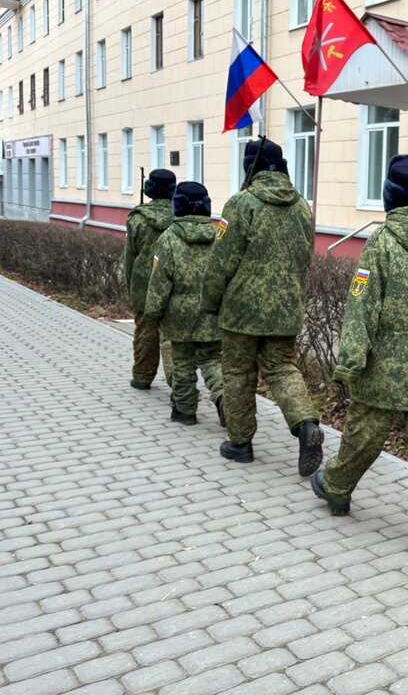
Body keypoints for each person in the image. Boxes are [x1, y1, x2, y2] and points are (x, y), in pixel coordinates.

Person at [310, 154, 408, 562]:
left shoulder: (381, 242)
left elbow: (361, 308)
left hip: (385, 365)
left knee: (363, 436)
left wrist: (350, 362)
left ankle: (337, 488)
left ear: (390, 195)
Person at [201, 138, 323, 476]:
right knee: (282, 369)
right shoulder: (301, 207)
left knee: (238, 373)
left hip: (241, 311)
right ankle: (306, 425)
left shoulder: (241, 204)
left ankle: (240, 444)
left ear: (250, 167)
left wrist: (209, 301)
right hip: (285, 309)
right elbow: (306, 258)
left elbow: (222, 261)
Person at [144, 182, 225, 426]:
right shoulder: (219, 237)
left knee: (182, 363)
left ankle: (185, 410)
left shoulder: (168, 239)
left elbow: (160, 281)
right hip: (212, 312)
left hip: (179, 316)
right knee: (212, 360)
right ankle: (225, 400)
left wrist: (152, 312)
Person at [124, 169, 176, 391]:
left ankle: (142, 377)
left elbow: (129, 259)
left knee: (145, 332)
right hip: (174, 284)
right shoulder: (180, 217)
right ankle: (179, 383)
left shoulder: (137, 219)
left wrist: (131, 288)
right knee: (171, 335)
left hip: (144, 285)